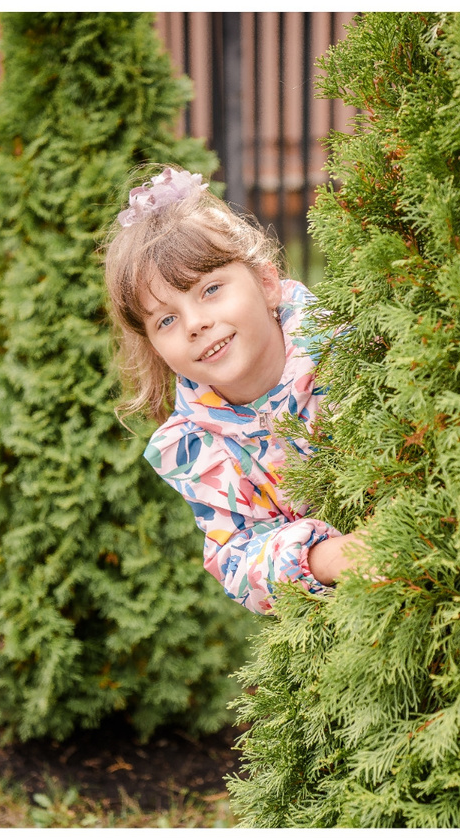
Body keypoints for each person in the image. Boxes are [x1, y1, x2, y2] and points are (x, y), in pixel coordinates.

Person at [108, 166, 365, 611]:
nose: (195, 324)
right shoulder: (196, 446)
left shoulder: (351, 347)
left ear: (267, 284)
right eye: (166, 319)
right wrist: (328, 558)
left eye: (210, 289)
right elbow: (236, 556)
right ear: (154, 346)